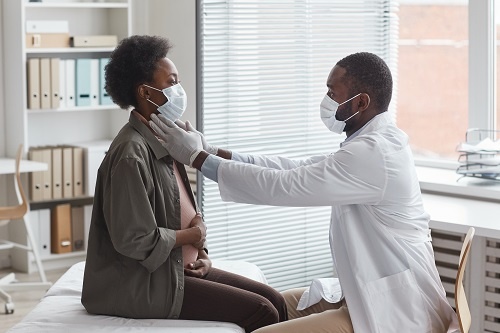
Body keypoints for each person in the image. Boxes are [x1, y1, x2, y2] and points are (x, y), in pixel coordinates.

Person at [149, 52, 460, 333]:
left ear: (361, 102)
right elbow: (292, 168)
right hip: (366, 291)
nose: (326, 100)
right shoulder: (369, 143)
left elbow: (287, 186)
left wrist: (197, 159)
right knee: (269, 308)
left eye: (332, 93)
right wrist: (212, 150)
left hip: (395, 310)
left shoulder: (375, 153)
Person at [81, 35, 287, 333]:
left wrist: (202, 253)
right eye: (172, 82)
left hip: (178, 269)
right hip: (145, 285)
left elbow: (184, 208)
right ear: (145, 92)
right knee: (263, 312)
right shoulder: (131, 154)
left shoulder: (169, 140)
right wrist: (193, 233)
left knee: (276, 301)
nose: (179, 90)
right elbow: (134, 239)